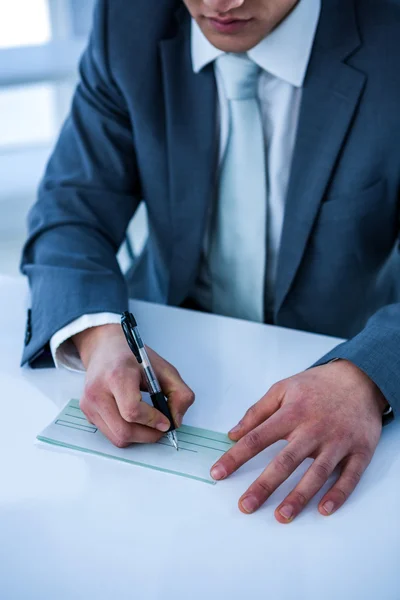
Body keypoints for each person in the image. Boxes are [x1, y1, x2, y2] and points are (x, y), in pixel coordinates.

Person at [21, 0, 400, 523]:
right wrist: (100, 336)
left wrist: (366, 376)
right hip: (166, 345)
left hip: (342, 352)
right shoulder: (128, 20)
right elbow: (72, 207)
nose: (221, 3)